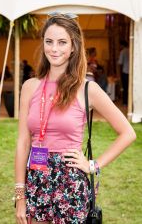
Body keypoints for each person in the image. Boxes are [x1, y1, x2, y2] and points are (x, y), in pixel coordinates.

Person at [15, 14, 136, 224]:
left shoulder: (88, 88)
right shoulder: (29, 87)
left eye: (62, 42)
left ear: (73, 47)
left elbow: (128, 133)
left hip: (70, 181)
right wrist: (20, 194)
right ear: (42, 43)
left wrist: (93, 165)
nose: (54, 48)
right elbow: (23, 142)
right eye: (49, 41)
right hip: (36, 177)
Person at [118, 40, 129, 106]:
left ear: (122, 45)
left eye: (120, 45)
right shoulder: (130, 50)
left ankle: (125, 102)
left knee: (125, 88)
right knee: (130, 88)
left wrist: (119, 73)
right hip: (131, 73)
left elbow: (120, 63)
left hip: (125, 72)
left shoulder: (122, 52)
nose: (119, 46)